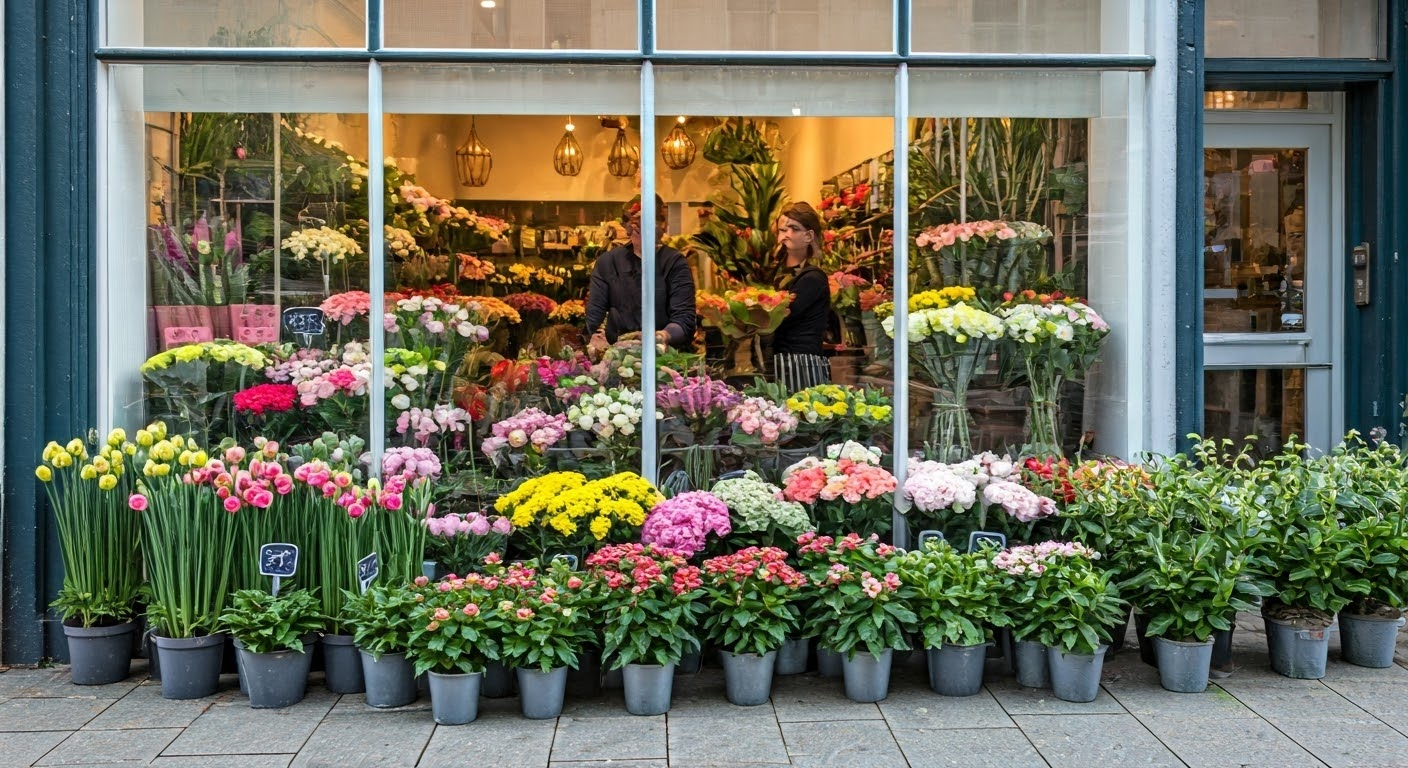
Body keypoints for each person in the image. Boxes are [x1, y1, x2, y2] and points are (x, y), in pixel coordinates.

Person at [584, 194, 698, 350]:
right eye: (634, 223)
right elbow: (595, 316)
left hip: (665, 358)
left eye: (646, 222)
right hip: (619, 357)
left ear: (661, 225)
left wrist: (662, 336)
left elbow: (684, 320)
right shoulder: (608, 262)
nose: (638, 228)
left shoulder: (674, 262)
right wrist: (598, 339)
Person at [770, 201, 831, 392]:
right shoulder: (775, 273)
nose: (785, 234)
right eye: (781, 229)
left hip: (802, 364)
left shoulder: (813, 278)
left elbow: (781, 314)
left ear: (808, 236)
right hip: (782, 362)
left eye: (793, 228)